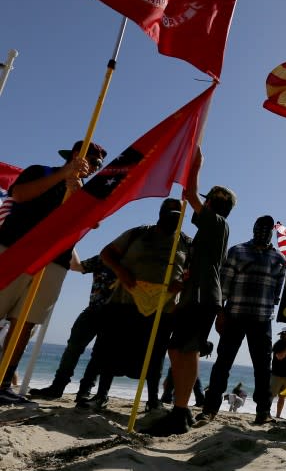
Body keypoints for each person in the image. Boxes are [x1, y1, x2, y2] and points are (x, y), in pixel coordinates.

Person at [0, 140, 106, 402]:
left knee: (26, 322)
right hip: (15, 249)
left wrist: (79, 195)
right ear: (75, 156)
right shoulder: (40, 171)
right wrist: (64, 174)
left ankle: (3, 381)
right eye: (93, 162)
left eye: (98, 165)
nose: (94, 168)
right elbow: (20, 195)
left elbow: (93, 222)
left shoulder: (86, 191)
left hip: (54, 262)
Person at [144, 147, 235, 436]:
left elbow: (190, 195)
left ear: (215, 204)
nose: (203, 202)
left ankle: (180, 412)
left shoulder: (218, 223)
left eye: (209, 199)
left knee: (187, 349)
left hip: (203, 297)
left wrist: (196, 165)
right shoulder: (209, 230)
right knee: (177, 348)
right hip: (194, 295)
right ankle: (180, 409)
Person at [83, 198, 191, 411]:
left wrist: (181, 284)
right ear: (160, 213)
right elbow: (107, 253)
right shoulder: (139, 233)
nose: (173, 217)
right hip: (125, 300)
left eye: (178, 214)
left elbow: (194, 271)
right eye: (169, 212)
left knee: (155, 354)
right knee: (111, 349)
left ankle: (152, 401)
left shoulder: (186, 242)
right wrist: (121, 271)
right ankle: (101, 395)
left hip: (163, 308)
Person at [195, 215, 286, 426]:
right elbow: (224, 287)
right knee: (222, 364)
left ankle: (263, 412)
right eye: (259, 227)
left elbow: (276, 294)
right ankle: (209, 409)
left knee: (263, 368)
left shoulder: (279, 259)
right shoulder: (237, 251)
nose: (262, 231)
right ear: (253, 228)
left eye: (266, 228)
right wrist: (220, 313)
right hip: (234, 315)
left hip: (262, 319)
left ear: (271, 231)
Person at [29, 253, 116, 403]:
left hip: (116, 315)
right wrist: (73, 245)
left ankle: (84, 392)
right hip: (93, 310)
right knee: (73, 348)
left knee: (99, 356)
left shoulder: (134, 261)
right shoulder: (105, 257)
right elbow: (76, 266)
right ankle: (57, 387)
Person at [271, 327, 286, 419]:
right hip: (277, 374)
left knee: (282, 397)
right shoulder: (279, 344)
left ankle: (278, 416)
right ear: (285, 334)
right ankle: (266, 413)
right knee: (271, 395)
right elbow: (280, 356)